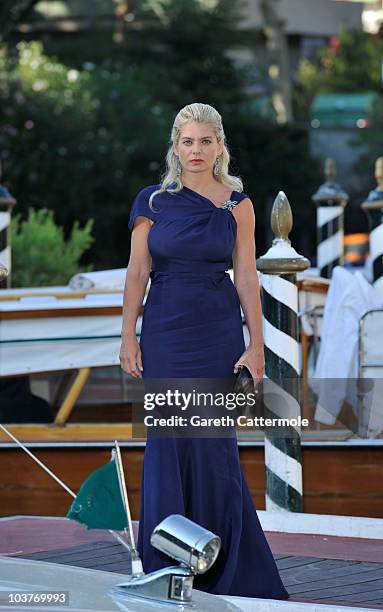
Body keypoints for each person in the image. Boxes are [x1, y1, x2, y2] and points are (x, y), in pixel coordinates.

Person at [119, 102, 289, 599]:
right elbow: (136, 273)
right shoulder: (151, 201)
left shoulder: (238, 204)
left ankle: (223, 567)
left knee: (214, 449)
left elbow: (248, 277)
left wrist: (256, 344)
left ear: (220, 147)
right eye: (187, 141)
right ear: (175, 147)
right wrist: (128, 334)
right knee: (168, 446)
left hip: (217, 334)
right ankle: (165, 567)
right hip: (166, 334)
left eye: (205, 141)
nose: (196, 150)